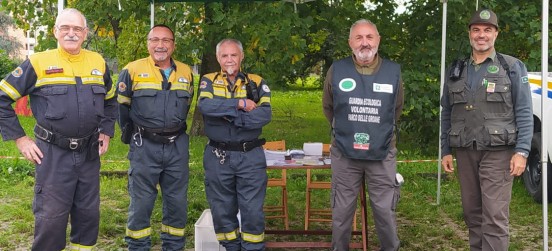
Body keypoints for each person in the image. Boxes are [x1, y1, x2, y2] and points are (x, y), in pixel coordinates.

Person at [0, 8, 116, 250]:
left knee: (88, 218)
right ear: (55, 32)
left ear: (85, 33)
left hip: (89, 153)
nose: (71, 33)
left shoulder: (98, 62)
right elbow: (2, 97)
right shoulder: (38, 62)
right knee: (51, 220)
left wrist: (106, 130)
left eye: (77, 29)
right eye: (65, 28)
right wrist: (20, 139)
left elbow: (111, 99)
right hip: (52, 154)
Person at [440, 9, 532, 251]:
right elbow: (447, 112)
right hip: (465, 150)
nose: (482, 35)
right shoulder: (456, 69)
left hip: (499, 153)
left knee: (494, 216)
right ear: (470, 34)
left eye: (487, 30)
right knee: (472, 213)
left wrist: (522, 151)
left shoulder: (511, 66)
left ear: (496, 34)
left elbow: (524, 110)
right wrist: (445, 149)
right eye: (476, 30)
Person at [322, 19, 403, 251]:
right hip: (345, 154)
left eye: (369, 37)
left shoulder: (392, 71)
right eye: (359, 37)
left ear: (378, 40)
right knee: (342, 212)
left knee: (385, 211)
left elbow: (395, 109)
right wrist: (347, 132)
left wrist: (378, 134)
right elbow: (329, 108)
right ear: (350, 43)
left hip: (382, 153)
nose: (364, 43)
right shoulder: (337, 70)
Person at [116, 24, 194, 250]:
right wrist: (132, 137)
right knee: (141, 202)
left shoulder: (187, 72)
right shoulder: (131, 70)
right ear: (148, 43)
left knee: (177, 202)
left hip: (177, 147)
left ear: (173, 45)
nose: (161, 45)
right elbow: (122, 108)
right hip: (144, 146)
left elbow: (187, 105)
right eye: (155, 40)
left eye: (166, 40)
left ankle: (173, 246)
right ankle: (138, 246)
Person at [198, 38, 272, 251]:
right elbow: (206, 106)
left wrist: (229, 117)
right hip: (218, 156)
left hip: (250, 155)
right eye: (224, 55)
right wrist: (239, 104)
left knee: (252, 210)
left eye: (233, 55)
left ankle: (253, 248)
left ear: (241, 57)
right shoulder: (208, 80)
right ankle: (231, 247)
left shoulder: (256, 82)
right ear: (218, 58)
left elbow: (264, 114)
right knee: (221, 209)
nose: (229, 60)